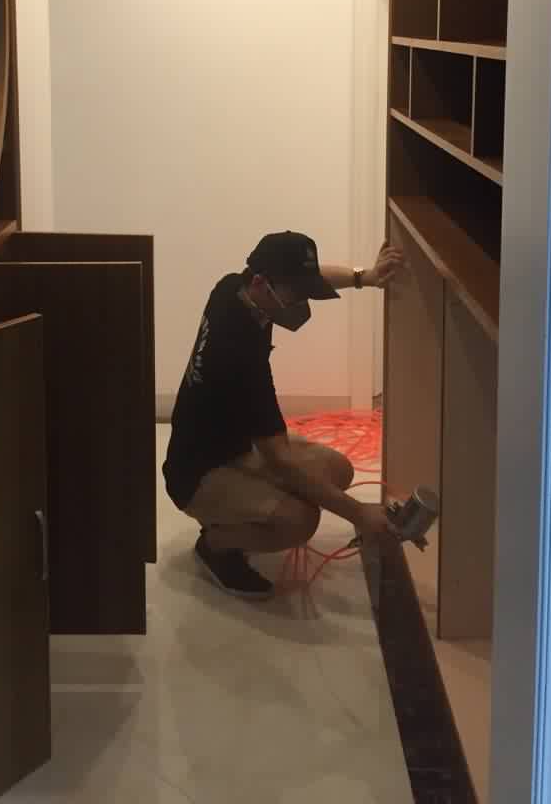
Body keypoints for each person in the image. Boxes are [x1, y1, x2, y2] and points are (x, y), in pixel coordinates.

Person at [162, 230, 404, 598]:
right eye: (296, 294)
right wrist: (360, 515)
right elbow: (280, 460)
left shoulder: (232, 288)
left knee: (338, 469)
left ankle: (242, 511)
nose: (301, 303)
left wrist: (364, 278)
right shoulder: (239, 359)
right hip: (197, 474)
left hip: (235, 446)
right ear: (262, 284)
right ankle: (215, 544)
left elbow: (312, 275)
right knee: (299, 520)